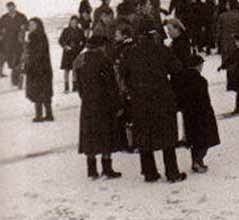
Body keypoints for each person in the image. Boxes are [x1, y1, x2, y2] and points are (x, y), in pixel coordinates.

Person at [120, 22, 186, 183]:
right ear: (153, 34)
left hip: (140, 100)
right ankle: (172, 172)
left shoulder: (130, 53)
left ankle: (149, 172)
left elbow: (123, 74)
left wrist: (132, 90)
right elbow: (176, 68)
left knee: (144, 135)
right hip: (161, 97)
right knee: (167, 135)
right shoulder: (162, 50)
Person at [74, 35, 122, 179]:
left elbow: (78, 85)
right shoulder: (105, 60)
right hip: (104, 103)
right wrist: (117, 104)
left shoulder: (80, 60)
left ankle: (91, 169)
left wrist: (85, 97)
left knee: (90, 135)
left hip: (88, 104)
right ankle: (107, 168)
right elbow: (111, 85)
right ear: (101, 46)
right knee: (106, 135)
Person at [174, 54, 220, 173]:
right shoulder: (200, 80)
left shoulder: (181, 79)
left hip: (188, 114)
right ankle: (198, 162)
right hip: (202, 114)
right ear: (198, 65)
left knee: (194, 140)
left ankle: (196, 162)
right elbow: (204, 99)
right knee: (205, 139)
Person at [24, 17, 54, 123]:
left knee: (37, 91)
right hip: (45, 68)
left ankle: (39, 115)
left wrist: (29, 66)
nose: (30, 26)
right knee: (45, 91)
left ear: (38, 25)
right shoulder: (42, 35)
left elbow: (36, 54)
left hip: (37, 69)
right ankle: (49, 115)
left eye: (33, 24)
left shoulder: (34, 36)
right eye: (29, 24)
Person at [0, 2, 28, 85]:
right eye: (9, 8)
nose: (11, 9)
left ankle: (16, 79)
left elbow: (27, 26)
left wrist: (24, 28)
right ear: (7, 8)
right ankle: (14, 76)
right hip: (7, 43)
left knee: (18, 60)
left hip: (18, 42)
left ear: (15, 7)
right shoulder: (4, 17)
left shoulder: (21, 16)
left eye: (12, 7)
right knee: (10, 60)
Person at [58, 15, 85, 93]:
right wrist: (65, 46)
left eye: (75, 22)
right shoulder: (65, 30)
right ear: (70, 22)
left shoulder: (80, 31)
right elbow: (60, 40)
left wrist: (80, 48)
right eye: (72, 22)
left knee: (75, 69)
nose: (74, 23)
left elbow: (84, 41)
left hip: (76, 52)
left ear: (77, 23)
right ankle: (66, 87)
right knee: (66, 70)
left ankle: (75, 86)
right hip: (67, 52)